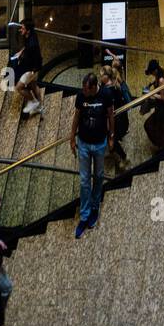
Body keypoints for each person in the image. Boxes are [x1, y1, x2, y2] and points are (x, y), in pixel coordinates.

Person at [71, 73, 114, 237]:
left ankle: (95, 207)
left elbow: (111, 115)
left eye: (87, 89)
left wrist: (111, 136)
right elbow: (77, 115)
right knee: (84, 180)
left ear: (94, 87)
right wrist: (72, 137)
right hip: (83, 143)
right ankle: (84, 215)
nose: (84, 92)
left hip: (100, 143)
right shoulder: (81, 95)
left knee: (98, 175)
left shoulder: (106, 94)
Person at [10, 17, 44, 117]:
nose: (21, 30)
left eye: (23, 28)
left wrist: (33, 71)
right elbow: (27, 48)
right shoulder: (31, 35)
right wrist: (21, 52)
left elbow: (36, 57)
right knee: (33, 86)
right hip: (32, 68)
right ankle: (40, 107)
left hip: (31, 69)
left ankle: (33, 102)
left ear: (28, 30)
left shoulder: (32, 45)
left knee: (19, 88)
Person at [100, 63, 130, 167]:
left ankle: (124, 157)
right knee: (112, 137)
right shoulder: (115, 83)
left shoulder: (108, 90)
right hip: (121, 116)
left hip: (114, 119)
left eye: (102, 75)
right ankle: (112, 150)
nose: (100, 77)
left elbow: (109, 110)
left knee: (113, 137)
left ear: (107, 76)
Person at [142, 59, 164, 151]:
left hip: (161, 108)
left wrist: (150, 93)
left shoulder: (161, 79)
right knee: (162, 127)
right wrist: (150, 85)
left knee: (153, 125)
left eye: (151, 72)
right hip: (158, 107)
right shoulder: (158, 75)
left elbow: (162, 97)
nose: (151, 74)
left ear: (155, 70)